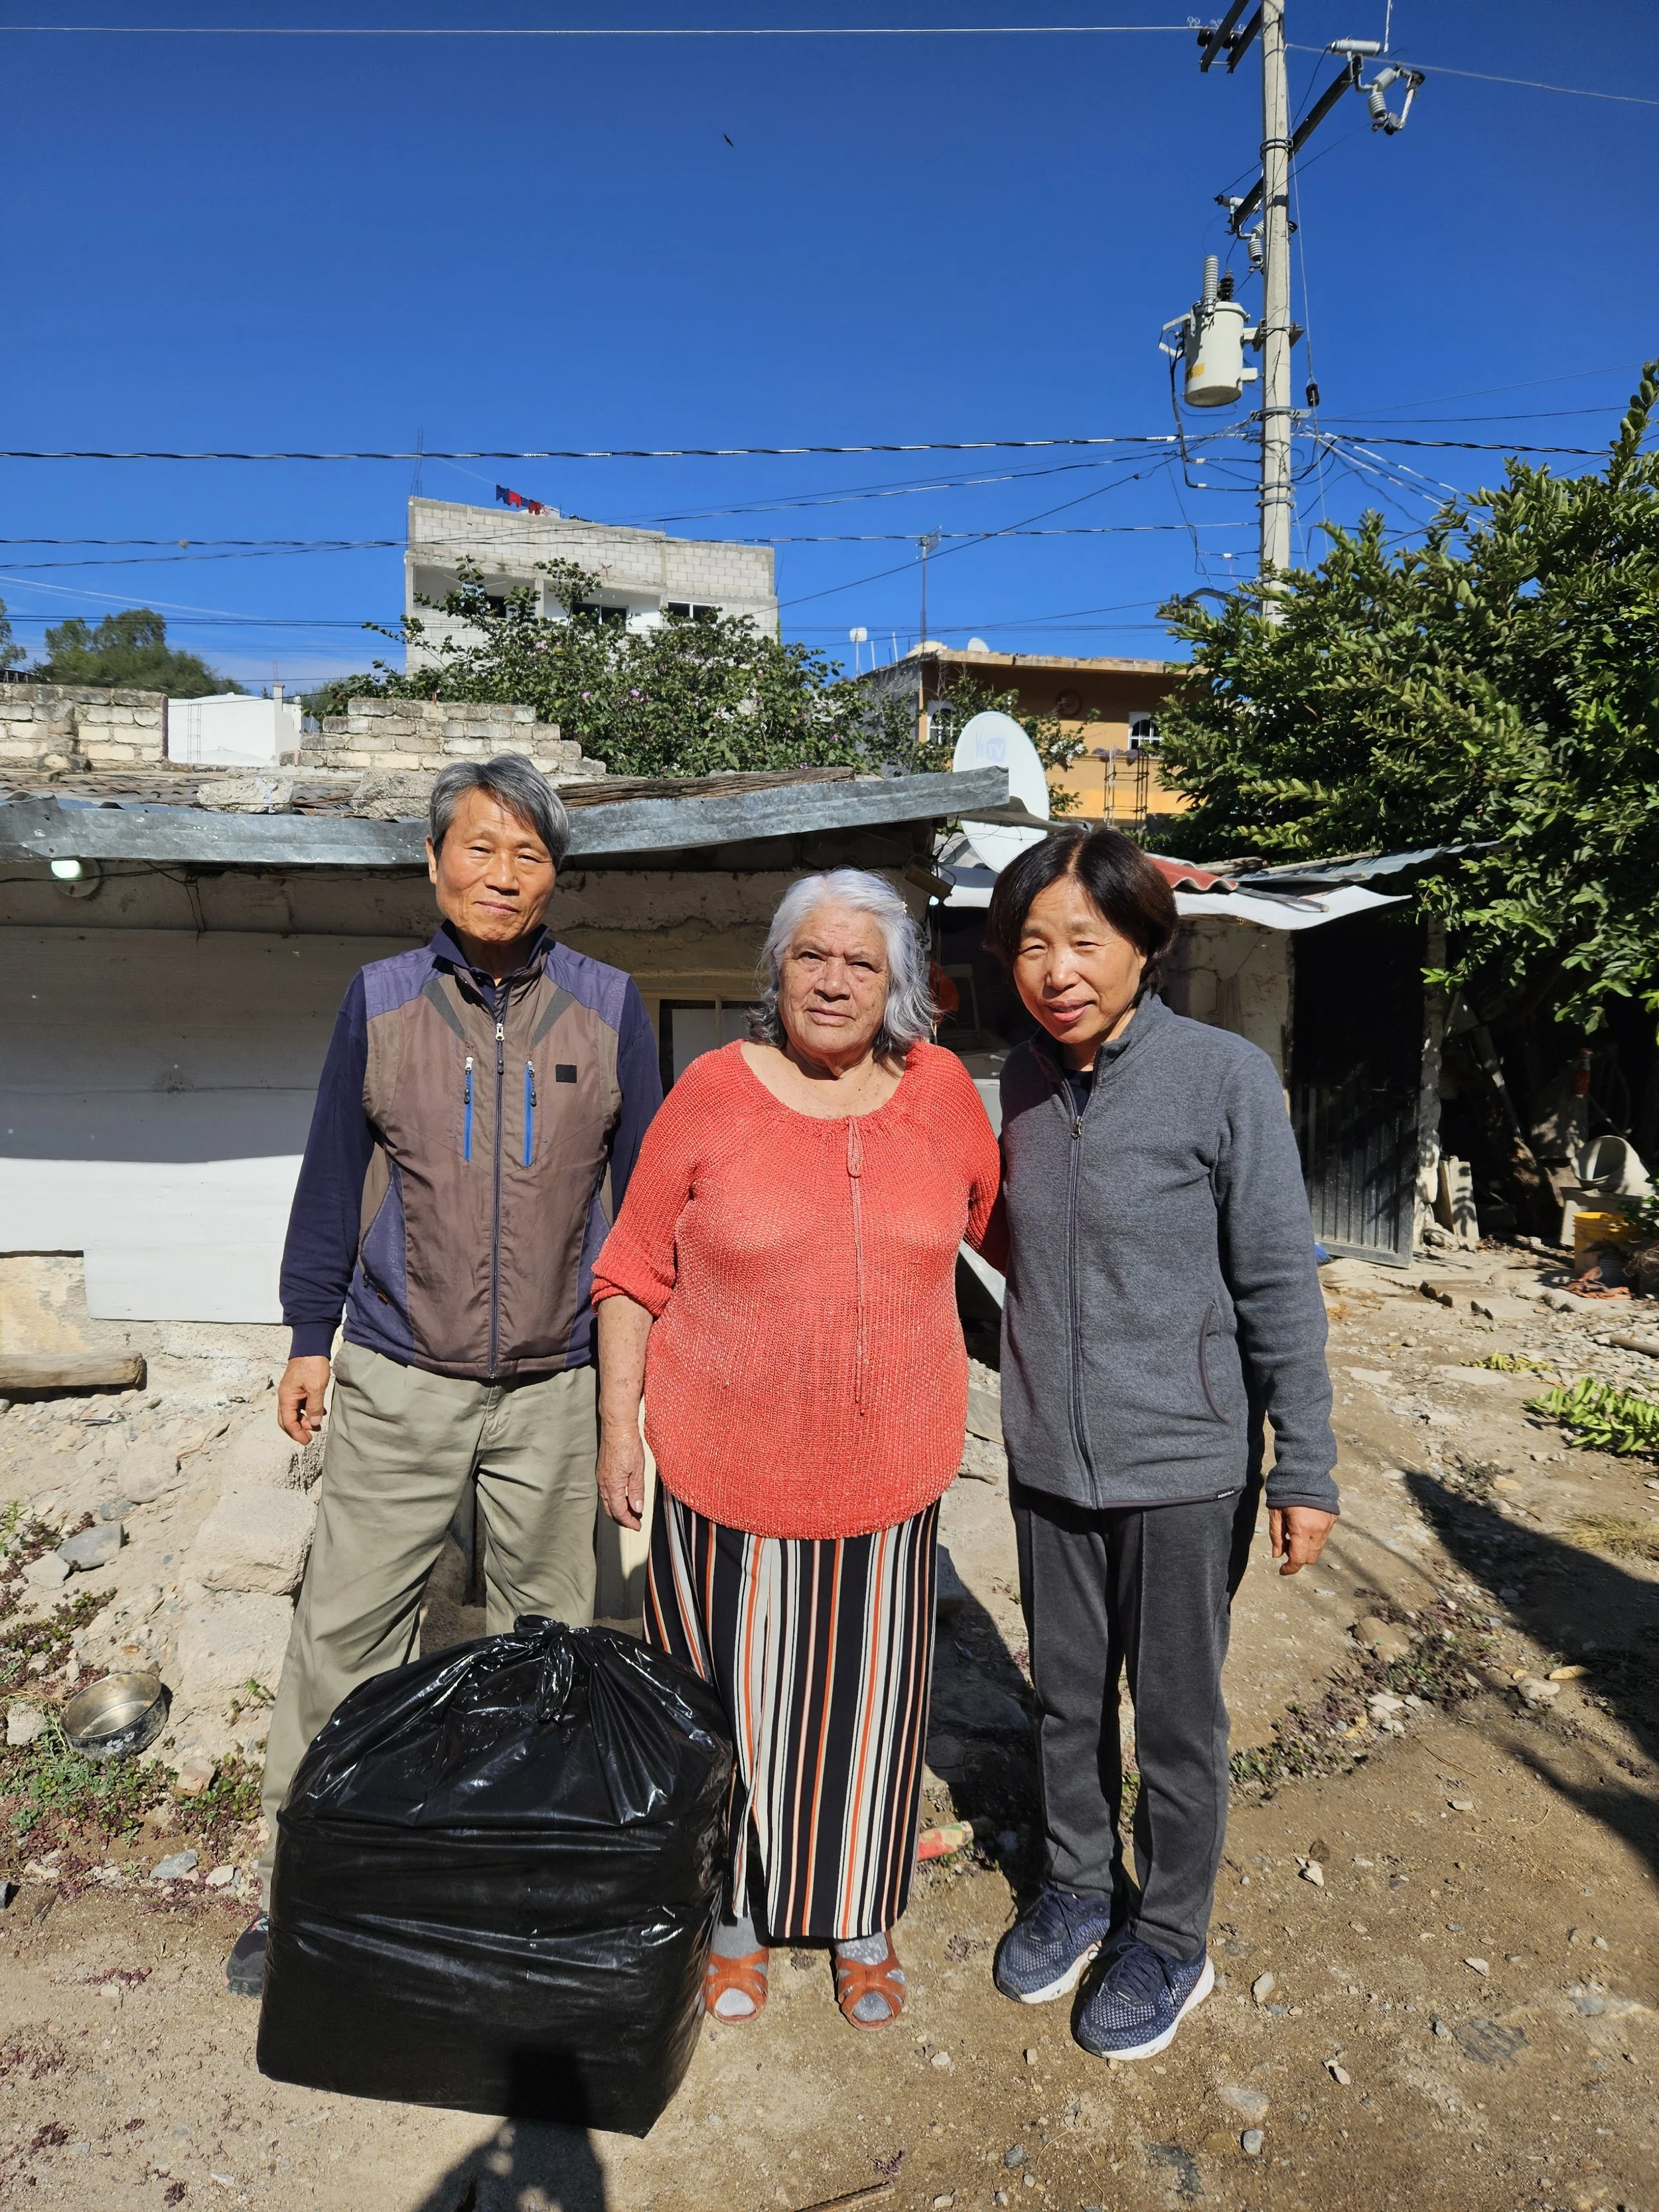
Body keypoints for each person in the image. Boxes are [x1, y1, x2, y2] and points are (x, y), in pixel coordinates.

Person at [225, 755, 662, 1997]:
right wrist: (310, 1333)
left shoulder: (608, 1005)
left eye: (529, 855)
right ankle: (302, 1894)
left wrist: (637, 1381)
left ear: (555, 877)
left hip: (556, 1389)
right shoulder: (377, 1003)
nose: (503, 874)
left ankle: (527, 1898)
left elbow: (648, 1211)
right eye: (480, 848)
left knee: (552, 1648)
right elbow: (326, 1182)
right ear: (433, 861)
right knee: (344, 1637)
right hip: (400, 1375)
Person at [590, 869, 1001, 2031]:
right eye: (811, 956)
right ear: (776, 970)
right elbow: (631, 1270)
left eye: (861, 963)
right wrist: (621, 1428)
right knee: (731, 1706)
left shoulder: (941, 1100)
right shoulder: (714, 1093)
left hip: (890, 1479)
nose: (833, 980)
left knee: (868, 1713)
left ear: (901, 984)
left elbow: (1019, 1230)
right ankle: (733, 1916)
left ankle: (858, 1917)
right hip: (725, 1477)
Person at [985, 824, 1338, 2062]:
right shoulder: (1018, 1089)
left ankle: (1172, 1936)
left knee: (1178, 1714)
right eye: (1033, 944)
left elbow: (1279, 1286)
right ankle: (1083, 1887)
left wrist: (1306, 1465)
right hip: (1048, 1459)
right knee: (1064, 1700)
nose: (1058, 968)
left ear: (1144, 943)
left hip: (1186, 1462)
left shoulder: (1224, 1078)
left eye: (1086, 938)